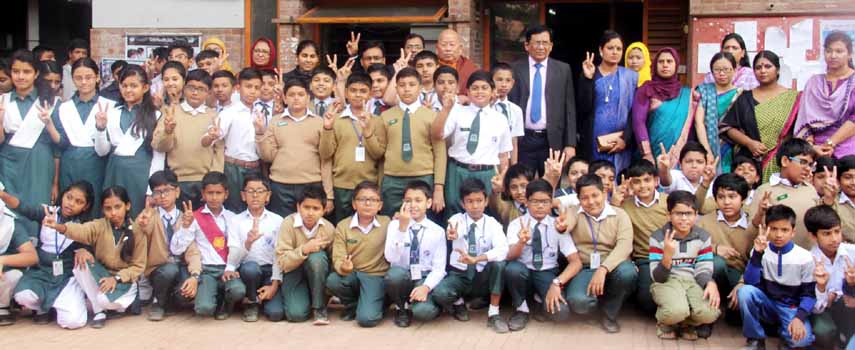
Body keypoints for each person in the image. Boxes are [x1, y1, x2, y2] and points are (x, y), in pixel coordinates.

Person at [43, 186, 147, 329]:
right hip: (102, 277)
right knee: (81, 260)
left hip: (124, 281)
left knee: (103, 300)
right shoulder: (99, 225)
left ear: (127, 206)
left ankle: (117, 305)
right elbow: (81, 230)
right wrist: (59, 227)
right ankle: (99, 312)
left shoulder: (137, 230)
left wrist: (116, 279)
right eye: (108, 208)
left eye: (118, 207)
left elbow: (138, 267)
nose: (113, 213)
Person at [7, 181, 92, 327]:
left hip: (65, 278)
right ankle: (43, 308)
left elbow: (91, 244)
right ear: (63, 195)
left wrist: (85, 250)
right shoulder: (47, 212)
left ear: (86, 206)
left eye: (78, 202)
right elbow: (22, 207)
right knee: (23, 295)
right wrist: (2, 194)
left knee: (73, 322)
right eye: (69, 197)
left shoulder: (85, 226)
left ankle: (55, 305)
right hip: (41, 273)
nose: (71, 203)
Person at [364, 67, 446, 217]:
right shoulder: (386, 116)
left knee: (423, 225)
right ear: (396, 88)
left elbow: (440, 153)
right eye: (402, 85)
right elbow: (378, 153)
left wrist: (438, 187)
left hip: (423, 177)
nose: (406, 89)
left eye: (412, 85)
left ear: (420, 87)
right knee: (392, 223)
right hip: (392, 180)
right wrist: (368, 133)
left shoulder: (432, 116)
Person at [560, 174, 637, 333]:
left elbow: (625, 246)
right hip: (586, 267)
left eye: (595, 195)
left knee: (628, 273)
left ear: (604, 193)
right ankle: (596, 305)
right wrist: (561, 227)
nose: (591, 201)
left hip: (613, 266)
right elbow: (566, 224)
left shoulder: (619, 215)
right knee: (578, 302)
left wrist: (603, 269)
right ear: (579, 199)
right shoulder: (574, 212)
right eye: (585, 198)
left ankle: (609, 314)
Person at [432, 70, 512, 218]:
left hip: (487, 175)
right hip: (458, 171)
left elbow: (503, 156)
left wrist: (502, 178)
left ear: (493, 92)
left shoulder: (500, 119)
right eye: (475, 88)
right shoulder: (457, 112)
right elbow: (438, 134)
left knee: (486, 215)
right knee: (454, 213)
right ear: (467, 91)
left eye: (484, 87)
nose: (479, 92)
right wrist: (446, 109)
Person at [434, 178, 510, 333]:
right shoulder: (456, 220)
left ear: (486, 201)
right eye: (469, 201)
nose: (475, 206)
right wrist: (453, 234)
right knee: (440, 293)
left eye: (479, 200)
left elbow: (503, 249)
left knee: (499, 264)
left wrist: (477, 258)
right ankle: (458, 302)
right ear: (462, 204)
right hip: (461, 275)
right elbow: (454, 230)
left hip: (482, 276)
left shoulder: (493, 224)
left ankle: (493, 313)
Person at [504, 179, 581, 331]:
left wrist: (557, 283)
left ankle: (539, 301)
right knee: (513, 270)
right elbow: (510, 257)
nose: (540, 206)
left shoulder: (557, 225)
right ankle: (522, 308)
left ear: (551, 202)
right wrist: (521, 242)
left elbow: (576, 262)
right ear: (526, 202)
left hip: (547, 273)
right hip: (523, 272)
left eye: (545, 202)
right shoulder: (516, 224)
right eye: (535, 201)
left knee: (562, 314)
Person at [738, 205, 817, 350]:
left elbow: (809, 295)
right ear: (766, 228)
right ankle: (755, 339)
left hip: (791, 308)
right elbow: (750, 282)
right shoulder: (761, 250)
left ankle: (784, 333)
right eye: (773, 229)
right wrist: (757, 254)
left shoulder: (805, 257)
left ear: (793, 232)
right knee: (745, 292)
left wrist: (799, 318)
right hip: (768, 304)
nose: (778, 235)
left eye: (784, 230)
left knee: (801, 341)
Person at [0, 50, 60, 231]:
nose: (20, 76)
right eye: (16, 71)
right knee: (8, 207)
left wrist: (55, 181)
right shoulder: (2, 100)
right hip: (9, 164)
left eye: (26, 71)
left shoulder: (51, 101)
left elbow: (58, 146)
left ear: (36, 73)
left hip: (39, 163)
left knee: (37, 206)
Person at [170, 171, 242, 320]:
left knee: (238, 291)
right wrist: (185, 227)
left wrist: (232, 267)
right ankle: (213, 298)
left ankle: (225, 303)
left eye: (218, 193)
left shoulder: (233, 218)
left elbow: (237, 247)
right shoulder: (193, 217)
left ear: (226, 194)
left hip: (226, 269)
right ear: (203, 193)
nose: (214, 197)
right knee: (203, 309)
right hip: (206, 271)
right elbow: (176, 249)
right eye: (210, 193)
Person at [649, 190, 720, 340]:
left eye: (688, 213)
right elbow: (657, 277)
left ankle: (686, 324)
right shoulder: (658, 237)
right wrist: (667, 255)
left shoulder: (703, 236)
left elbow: (703, 267)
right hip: (668, 282)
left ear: (695, 215)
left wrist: (710, 283)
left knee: (710, 313)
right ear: (669, 215)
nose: (683, 218)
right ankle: (664, 322)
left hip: (692, 281)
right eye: (678, 213)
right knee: (676, 311)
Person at [257, 79, 333, 217]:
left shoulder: (319, 122)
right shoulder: (275, 121)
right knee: (283, 226)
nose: (296, 98)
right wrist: (260, 132)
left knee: (309, 227)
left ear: (308, 98)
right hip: (280, 185)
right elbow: (267, 156)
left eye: (301, 94)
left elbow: (326, 157)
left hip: (311, 184)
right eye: (291, 95)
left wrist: (329, 195)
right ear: (285, 98)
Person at [721, 50, 800, 183]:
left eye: (768, 66)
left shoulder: (793, 98)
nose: (762, 71)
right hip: (749, 163)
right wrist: (749, 143)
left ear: (778, 70)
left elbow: (798, 131)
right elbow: (728, 128)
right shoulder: (745, 98)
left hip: (781, 161)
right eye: (758, 67)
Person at [509, 25, 577, 175]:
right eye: (537, 42)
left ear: (551, 46)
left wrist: (570, 143)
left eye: (545, 43)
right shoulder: (514, 69)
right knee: (521, 184)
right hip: (523, 140)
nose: (541, 47)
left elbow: (569, 109)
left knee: (551, 185)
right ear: (527, 45)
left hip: (551, 140)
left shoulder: (563, 70)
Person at [98, 64, 165, 217]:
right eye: (124, 85)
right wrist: (100, 128)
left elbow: (159, 157)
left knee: (138, 218)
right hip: (114, 172)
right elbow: (102, 151)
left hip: (140, 175)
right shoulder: (112, 112)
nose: (128, 90)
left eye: (134, 86)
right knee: (113, 217)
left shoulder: (154, 115)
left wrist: (152, 190)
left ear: (146, 87)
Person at [134, 170, 201, 321]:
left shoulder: (186, 217)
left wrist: (195, 274)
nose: (163, 196)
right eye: (157, 192)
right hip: (157, 269)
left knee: (186, 294)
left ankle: (170, 300)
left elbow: (193, 251)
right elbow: (138, 235)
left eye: (167, 191)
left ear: (177, 192)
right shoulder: (148, 215)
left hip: (181, 268)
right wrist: (141, 226)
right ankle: (158, 302)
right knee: (169, 270)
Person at [52, 58, 116, 214]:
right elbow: (58, 146)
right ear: (72, 79)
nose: (84, 82)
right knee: (69, 206)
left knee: (94, 207)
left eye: (89, 77)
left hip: (97, 163)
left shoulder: (110, 105)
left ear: (97, 77)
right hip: (69, 162)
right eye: (78, 78)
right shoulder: (63, 107)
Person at [152, 69, 223, 208]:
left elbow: (219, 150)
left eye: (201, 89)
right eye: (191, 87)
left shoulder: (213, 115)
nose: (195, 92)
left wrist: (214, 179)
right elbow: (158, 146)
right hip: (178, 180)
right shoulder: (170, 112)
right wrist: (168, 131)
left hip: (205, 182)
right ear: (184, 88)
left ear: (209, 92)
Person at [326, 181, 390, 327]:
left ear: (380, 205)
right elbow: (337, 257)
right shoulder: (343, 226)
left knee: (367, 320)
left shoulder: (388, 223)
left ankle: (379, 303)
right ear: (354, 204)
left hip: (375, 276)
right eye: (362, 199)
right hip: (353, 275)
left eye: (373, 200)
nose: (367, 203)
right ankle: (353, 306)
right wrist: (344, 267)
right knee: (333, 280)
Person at [383, 180, 446, 328]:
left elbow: (439, 268)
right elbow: (390, 258)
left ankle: (430, 305)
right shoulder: (394, 226)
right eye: (408, 200)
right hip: (403, 275)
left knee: (424, 313)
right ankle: (401, 307)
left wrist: (426, 286)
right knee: (394, 275)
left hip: (423, 276)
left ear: (429, 203)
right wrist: (402, 229)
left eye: (418, 200)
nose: (413, 205)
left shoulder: (437, 231)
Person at [695, 173, 756, 324]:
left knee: (736, 316)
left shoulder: (752, 223)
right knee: (716, 262)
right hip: (712, 274)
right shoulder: (706, 221)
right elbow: (691, 247)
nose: (726, 202)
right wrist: (714, 248)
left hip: (741, 275)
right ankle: (706, 315)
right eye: (721, 197)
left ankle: (730, 308)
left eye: (732, 196)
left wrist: (742, 283)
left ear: (744, 198)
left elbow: (756, 261)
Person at [224, 173, 285, 322]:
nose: (255, 195)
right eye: (250, 191)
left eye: (260, 191)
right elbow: (233, 255)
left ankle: (264, 297)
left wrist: (274, 284)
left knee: (276, 314)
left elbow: (280, 255)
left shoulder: (278, 220)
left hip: (270, 272)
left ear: (268, 195)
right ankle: (251, 302)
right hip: (247, 272)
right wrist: (248, 243)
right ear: (243, 195)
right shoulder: (235, 221)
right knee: (251, 268)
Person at [320, 73, 381, 222]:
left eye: (363, 91)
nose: (358, 95)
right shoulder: (336, 120)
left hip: (369, 185)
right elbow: (325, 154)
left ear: (371, 93)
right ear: (346, 92)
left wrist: (367, 132)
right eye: (353, 90)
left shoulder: (378, 121)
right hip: (342, 186)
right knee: (342, 227)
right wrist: (327, 128)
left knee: (367, 227)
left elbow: (379, 154)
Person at [577, 30, 638, 173]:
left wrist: (625, 139)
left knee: (617, 178)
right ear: (601, 50)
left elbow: (633, 112)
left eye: (619, 49)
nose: (615, 52)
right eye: (610, 48)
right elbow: (583, 108)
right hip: (594, 139)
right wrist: (587, 78)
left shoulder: (630, 77)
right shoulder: (590, 73)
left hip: (620, 140)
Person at [275, 184, 335, 325]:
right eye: (306, 207)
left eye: (316, 208)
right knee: (296, 315)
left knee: (317, 258)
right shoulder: (288, 224)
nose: (310, 213)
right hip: (293, 272)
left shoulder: (328, 228)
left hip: (317, 273)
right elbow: (282, 262)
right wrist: (304, 249)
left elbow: (333, 260)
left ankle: (319, 307)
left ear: (324, 210)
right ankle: (306, 299)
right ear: (298, 207)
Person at [617, 160, 669, 315]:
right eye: (636, 182)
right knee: (647, 302)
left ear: (656, 181)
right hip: (645, 258)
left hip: (671, 255)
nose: (643, 186)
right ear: (630, 185)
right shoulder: (625, 205)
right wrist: (615, 202)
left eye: (647, 180)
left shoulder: (668, 202)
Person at [748, 138, 821, 249]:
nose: (807, 169)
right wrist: (760, 213)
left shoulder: (810, 189)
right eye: (802, 162)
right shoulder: (765, 191)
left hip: (808, 261)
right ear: (785, 161)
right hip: (774, 260)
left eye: (810, 164)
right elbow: (750, 235)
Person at [795, 30, 855, 159]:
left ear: (849, 54)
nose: (833, 55)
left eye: (839, 51)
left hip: (849, 148)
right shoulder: (814, 82)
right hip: (815, 151)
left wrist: (830, 143)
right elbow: (804, 120)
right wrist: (811, 147)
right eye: (829, 51)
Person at [212, 68, 262, 213]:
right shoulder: (229, 112)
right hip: (234, 168)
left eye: (257, 88)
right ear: (238, 88)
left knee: (254, 209)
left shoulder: (259, 113)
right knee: (234, 209)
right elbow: (213, 135)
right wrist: (212, 135)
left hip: (255, 167)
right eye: (248, 86)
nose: (252, 91)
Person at [804, 205, 855, 349]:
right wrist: (822, 289)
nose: (834, 239)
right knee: (823, 331)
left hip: (849, 306)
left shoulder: (852, 253)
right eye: (826, 234)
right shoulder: (808, 261)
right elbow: (814, 308)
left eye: (837, 232)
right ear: (813, 236)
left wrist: (850, 286)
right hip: (823, 310)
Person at [632, 47, 693, 163]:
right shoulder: (646, 89)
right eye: (661, 62)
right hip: (650, 155)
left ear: (676, 65)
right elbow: (638, 121)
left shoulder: (686, 94)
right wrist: (647, 153)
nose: (665, 65)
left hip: (679, 157)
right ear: (655, 65)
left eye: (669, 61)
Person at [695, 52, 743, 173]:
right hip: (704, 143)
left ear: (734, 70)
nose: (721, 74)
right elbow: (699, 122)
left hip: (731, 147)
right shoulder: (704, 91)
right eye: (717, 70)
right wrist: (707, 151)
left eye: (726, 69)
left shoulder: (740, 94)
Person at [0, 193, 39, 326]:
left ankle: (3, 306)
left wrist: (2, 260)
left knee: (14, 275)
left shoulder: (9, 224)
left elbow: (32, 256)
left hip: (3, 277)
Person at [491, 63, 525, 164]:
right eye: (499, 80)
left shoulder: (516, 110)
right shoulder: (485, 107)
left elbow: (514, 142)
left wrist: (514, 165)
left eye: (508, 80)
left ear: (513, 83)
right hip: (488, 159)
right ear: (491, 81)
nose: (504, 84)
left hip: (506, 159)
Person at [490, 163, 535, 230]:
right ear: (508, 190)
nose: (519, 191)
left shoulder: (537, 204)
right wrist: (496, 190)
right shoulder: (506, 209)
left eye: (523, 186)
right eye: (514, 187)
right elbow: (496, 204)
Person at [436, 29, 479, 95]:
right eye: (444, 45)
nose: (448, 49)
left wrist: (467, 99)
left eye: (452, 45)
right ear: (437, 49)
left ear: (460, 49)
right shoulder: (429, 66)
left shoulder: (469, 68)